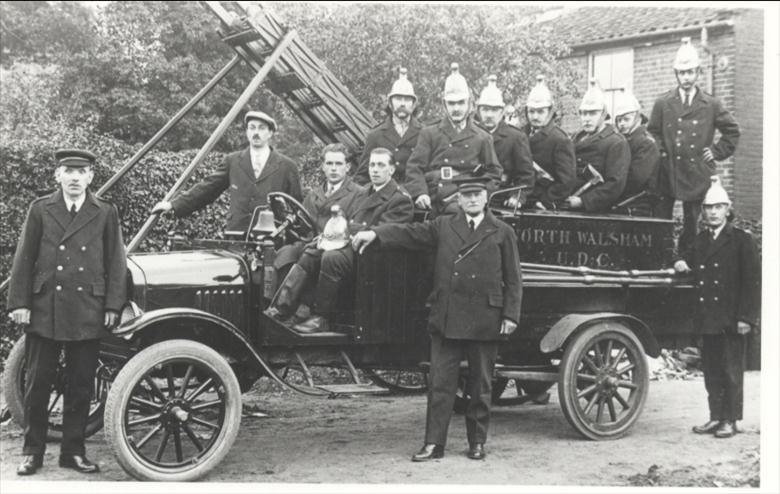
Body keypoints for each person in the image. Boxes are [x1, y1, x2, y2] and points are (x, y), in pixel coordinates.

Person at [352, 174, 522, 461]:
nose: (471, 199)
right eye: (466, 195)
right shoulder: (444, 226)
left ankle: (477, 442)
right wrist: (377, 233)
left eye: (477, 194)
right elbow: (410, 233)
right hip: (447, 316)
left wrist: (510, 315)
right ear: (458, 199)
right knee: (440, 384)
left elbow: (514, 278)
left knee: (481, 386)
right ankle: (434, 444)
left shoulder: (502, 231)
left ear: (486, 197)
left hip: (485, 316)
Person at [7, 149, 127, 475]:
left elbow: (116, 261)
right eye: (68, 171)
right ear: (57, 175)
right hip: (45, 307)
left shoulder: (104, 212)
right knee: (37, 382)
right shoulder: (40, 209)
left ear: (91, 176)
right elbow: (24, 258)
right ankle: (32, 452)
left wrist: (113, 305)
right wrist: (20, 303)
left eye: (81, 171)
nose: (74, 177)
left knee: (80, 384)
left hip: (88, 307)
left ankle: (73, 452)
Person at [265, 147, 413, 333]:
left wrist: (345, 231)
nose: (375, 170)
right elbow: (345, 221)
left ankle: (322, 317)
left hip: (373, 258)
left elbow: (387, 232)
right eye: (372, 165)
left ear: (391, 170)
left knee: (331, 258)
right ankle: (281, 308)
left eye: (381, 165)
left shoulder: (399, 199)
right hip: (351, 246)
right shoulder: (365, 192)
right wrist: (328, 236)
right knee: (312, 251)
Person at [673, 176, 760, 438]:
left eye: (718, 207)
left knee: (731, 370)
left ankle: (730, 420)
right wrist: (678, 261)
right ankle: (715, 417)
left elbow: (753, 282)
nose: (712, 212)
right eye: (708, 208)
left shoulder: (742, 239)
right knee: (711, 369)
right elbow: (683, 256)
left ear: (727, 209)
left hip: (732, 318)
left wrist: (746, 317)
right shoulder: (700, 240)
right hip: (707, 317)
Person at [648, 37, 740, 253]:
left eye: (690, 72)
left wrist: (716, 152)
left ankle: (689, 262)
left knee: (693, 223)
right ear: (676, 74)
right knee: (662, 220)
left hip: (696, 172)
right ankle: (663, 260)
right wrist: (661, 153)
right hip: (667, 170)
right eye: (682, 72)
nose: (686, 77)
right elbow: (652, 131)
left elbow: (732, 131)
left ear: (698, 72)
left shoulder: (711, 104)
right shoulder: (663, 102)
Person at [152, 111, 303, 232]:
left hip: (272, 238)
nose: (256, 132)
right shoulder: (233, 161)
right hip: (236, 235)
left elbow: (297, 209)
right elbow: (208, 188)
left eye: (262, 128)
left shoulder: (287, 166)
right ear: (247, 131)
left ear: (270, 133)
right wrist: (173, 205)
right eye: (252, 127)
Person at [404, 63, 502, 217]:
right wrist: (420, 194)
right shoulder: (430, 133)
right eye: (451, 103)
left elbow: (494, 174)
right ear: (444, 104)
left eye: (461, 102)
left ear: (470, 104)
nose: (456, 109)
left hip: (466, 199)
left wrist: (479, 197)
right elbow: (414, 168)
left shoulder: (482, 137)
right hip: (434, 199)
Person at [274, 143, 363, 278]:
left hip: (337, 248)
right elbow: (302, 225)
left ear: (348, 167)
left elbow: (354, 228)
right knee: (284, 253)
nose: (333, 169)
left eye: (338, 164)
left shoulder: (358, 193)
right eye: (329, 163)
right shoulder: (313, 194)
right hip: (309, 245)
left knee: (311, 256)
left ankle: (287, 299)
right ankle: (271, 297)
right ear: (323, 167)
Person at [565, 79, 630, 212]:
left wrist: (583, 201)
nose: (587, 118)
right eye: (583, 113)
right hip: (566, 205)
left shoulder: (616, 143)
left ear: (604, 115)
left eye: (593, 113)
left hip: (594, 212)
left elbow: (615, 184)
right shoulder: (576, 138)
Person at [354, 68, 422, 186]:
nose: (402, 103)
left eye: (407, 99)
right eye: (398, 99)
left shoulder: (425, 134)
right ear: (390, 103)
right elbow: (362, 177)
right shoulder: (376, 135)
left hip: (414, 197)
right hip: (384, 199)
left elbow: (431, 172)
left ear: (414, 104)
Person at [475, 75, 534, 206]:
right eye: (485, 109)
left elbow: (526, 176)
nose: (489, 115)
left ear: (502, 112)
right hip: (472, 198)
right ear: (478, 111)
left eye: (494, 110)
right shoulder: (471, 135)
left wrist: (517, 197)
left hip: (501, 200)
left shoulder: (515, 138)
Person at [522, 75, 576, 209]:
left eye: (540, 112)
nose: (535, 116)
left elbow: (566, 181)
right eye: (531, 111)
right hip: (520, 199)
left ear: (550, 112)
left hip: (543, 205)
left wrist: (546, 200)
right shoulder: (520, 133)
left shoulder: (560, 139)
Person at [611, 90, 661, 216]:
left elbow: (636, 179)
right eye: (619, 120)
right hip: (622, 201)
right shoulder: (623, 140)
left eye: (626, 119)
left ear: (638, 118)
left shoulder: (645, 143)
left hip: (637, 204)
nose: (622, 124)